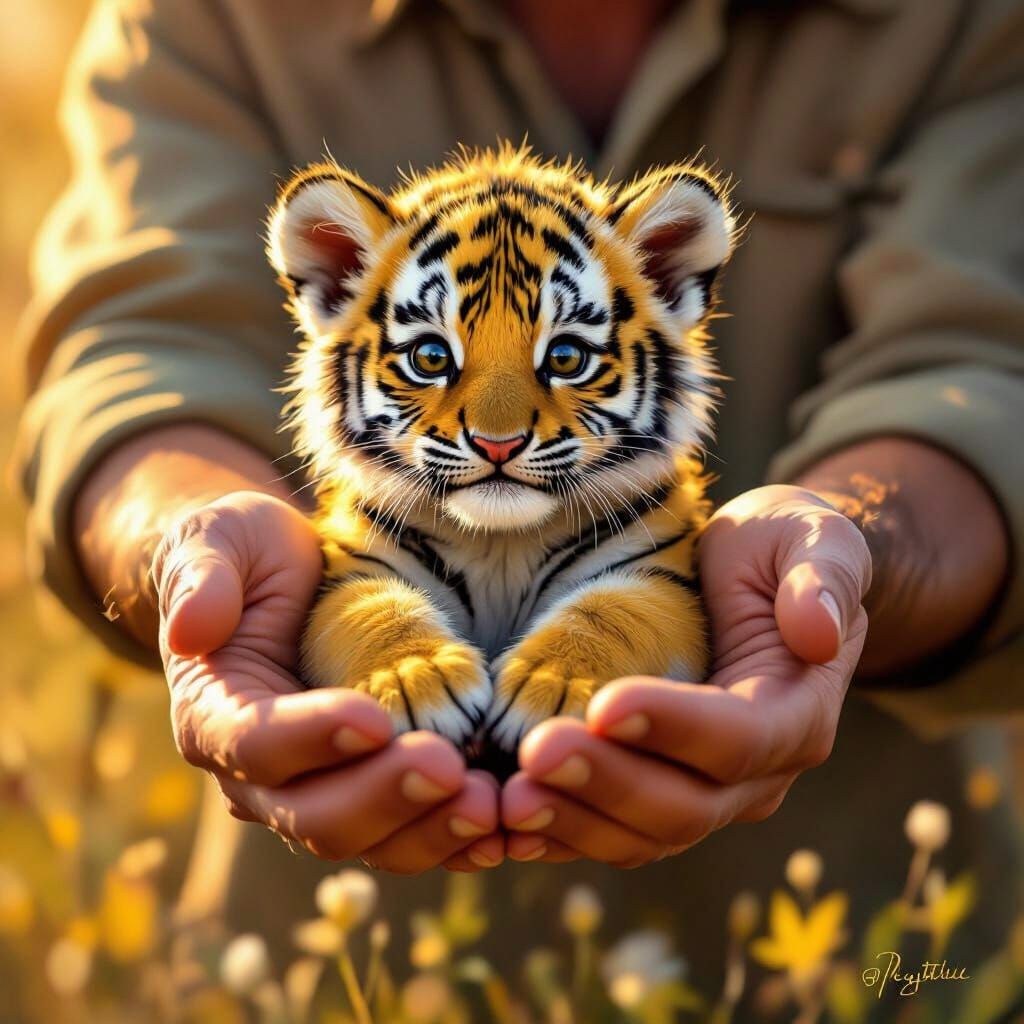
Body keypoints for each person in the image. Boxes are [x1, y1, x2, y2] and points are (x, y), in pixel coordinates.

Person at [15, 0, 1023, 996]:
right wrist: (193, 549)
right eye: (424, 358)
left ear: (672, 285)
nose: (497, 425)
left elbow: (981, 361)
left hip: (865, 963)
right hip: (340, 973)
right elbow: (137, 350)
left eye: (572, 358)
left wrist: (842, 559)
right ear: (330, 286)